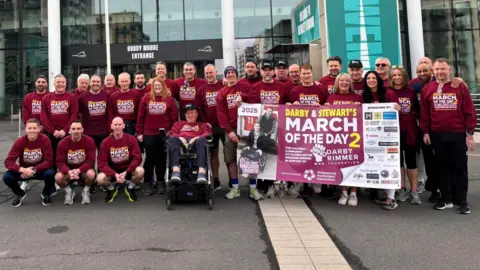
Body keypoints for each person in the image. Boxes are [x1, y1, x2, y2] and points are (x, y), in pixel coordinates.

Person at [420, 58, 476, 215]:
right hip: (437, 134)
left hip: (457, 134)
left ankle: (462, 201)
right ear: (433, 71)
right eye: (437, 69)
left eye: (443, 69)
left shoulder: (460, 87)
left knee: (459, 168)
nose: (440, 72)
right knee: (442, 168)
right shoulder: (428, 89)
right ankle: (446, 199)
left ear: (449, 70)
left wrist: (469, 133)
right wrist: (425, 131)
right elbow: (425, 113)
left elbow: (469, 110)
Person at [237, 61, 286, 198]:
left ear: (273, 72)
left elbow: (287, 101)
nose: (267, 72)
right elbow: (250, 101)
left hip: (278, 124)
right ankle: (265, 184)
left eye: (269, 69)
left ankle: (276, 183)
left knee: (275, 153)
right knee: (262, 152)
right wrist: (241, 98)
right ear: (261, 72)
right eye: (264, 70)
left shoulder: (281, 86)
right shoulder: (256, 86)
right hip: (262, 125)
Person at [217, 66, 263, 200]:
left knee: (251, 158)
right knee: (231, 160)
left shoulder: (245, 86)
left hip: (248, 128)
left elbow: (256, 99)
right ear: (225, 76)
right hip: (231, 129)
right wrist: (229, 131)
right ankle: (235, 188)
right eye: (228, 73)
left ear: (236, 75)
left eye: (233, 72)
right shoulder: (222, 92)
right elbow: (221, 113)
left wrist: (242, 96)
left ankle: (253, 188)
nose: (230, 75)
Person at [362, 70, 400, 210]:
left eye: (373, 78)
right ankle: (382, 194)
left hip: (388, 136)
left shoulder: (389, 93)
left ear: (378, 79)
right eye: (368, 78)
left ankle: (391, 198)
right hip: (370, 137)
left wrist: (397, 107)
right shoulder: (364, 96)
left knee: (389, 164)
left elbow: (398, 109)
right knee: (376, 165)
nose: (371, 80)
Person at [324, 73, 362, 206]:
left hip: (353, 136)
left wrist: (360, 107)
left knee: (354, 164)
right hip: (338, 137)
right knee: (341, 164)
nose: (344, 83)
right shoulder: (332, 97)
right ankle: (344, 191)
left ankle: (353, 193)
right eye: (341, 81)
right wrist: (326, 108)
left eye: (347, 81)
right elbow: (325, 117)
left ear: (350, 83)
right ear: (337, 83)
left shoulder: (356, 97)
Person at [137, 78, 178, 195]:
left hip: (164, 134)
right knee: (150, 158)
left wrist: (172, 132)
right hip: (149, 133)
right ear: (152, 86)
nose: (158, 87)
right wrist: (139, 132)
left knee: (161, 159)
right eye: (156, 85)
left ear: (164, 86)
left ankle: (161, 182)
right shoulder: (146, 98)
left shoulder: (169, 99)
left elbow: (174, 117)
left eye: (160, 85)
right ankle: (147, 182)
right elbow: (140, 116)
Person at [3, 118, 55, 207]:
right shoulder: (20, 142)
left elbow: (49, 160)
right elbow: (8, 162)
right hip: (24, 171)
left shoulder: (45, 140)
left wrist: (34, 169)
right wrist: (22, 169)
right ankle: (20, 194)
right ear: (26, 129)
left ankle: (46, 193)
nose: (32, 131)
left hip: (39, 170)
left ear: (39, 129)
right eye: (29, 128)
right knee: (7, 176)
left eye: (34, 128)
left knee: (51, 172)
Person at [389, 66, 421, 205]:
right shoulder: (388, 92)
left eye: (399, 75)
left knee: (411, 162)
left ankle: (414, 191)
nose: (396, 77)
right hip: (394, 132)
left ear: (404, 76)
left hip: (410, 132)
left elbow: (417, 110)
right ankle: (401, 188)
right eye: (394, 75)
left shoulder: (411, 91)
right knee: (398, 162)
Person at [97, 117, 144, 203]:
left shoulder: (131, 139)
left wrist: (126, 172)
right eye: (115, 125)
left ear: (123, 126)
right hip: (113, 171)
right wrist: (114, 174)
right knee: (100, 178)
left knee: (140, 171)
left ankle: (130, 188)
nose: (117, 127)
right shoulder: (105, 142)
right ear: (111, 126)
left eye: (119, 124)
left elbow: (138, 158)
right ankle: (111, 189)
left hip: (128, 170)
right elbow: (101, 163)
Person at [196, 64, 226, 190]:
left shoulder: (223, 85)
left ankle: (233, 182)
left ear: (216, 72)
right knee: (213, 154)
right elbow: (199, 108)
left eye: (211, 72)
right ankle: (216, 179)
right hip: (210, 126)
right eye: (207, 73)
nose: (209, 75)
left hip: (225, 125)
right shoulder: (202, 89)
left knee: (230, 154)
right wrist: (205, 122)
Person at [167, 104, 211, 183]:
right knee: (173, 139)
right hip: (181, 145)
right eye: (188, 113)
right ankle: (176, 170)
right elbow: (172, 133)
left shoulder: (202, 125)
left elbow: (208, 133)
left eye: (193, 113)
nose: (190, 115)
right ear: (185, 115)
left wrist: (196, 138)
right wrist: (179, 137)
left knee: (202, 140)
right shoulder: (178, 124)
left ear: (197, 114)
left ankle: (201, 172)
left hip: (196, 145)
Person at [55, 121, 96, 205]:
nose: (76, 131)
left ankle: (85, 191)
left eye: (78, 129)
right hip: (69, 170)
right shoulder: (62, 143)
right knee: (58, 177)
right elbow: (60, 162)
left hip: (83, 170)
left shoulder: (90, 141)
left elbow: (90, 161)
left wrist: (79, 170)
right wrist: (68, 171)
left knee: (91, 174)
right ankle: (69, 192)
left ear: (82, 130)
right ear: (69, 130)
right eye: (73, 129)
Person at [40, 74, 79, 158]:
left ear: (66, 83)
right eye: (58, 82)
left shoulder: (72, 97)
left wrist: (65, 130)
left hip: (68, 133)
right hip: (51, 134)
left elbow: (74, 115)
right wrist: (53, 131)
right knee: (52, 157)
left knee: (68, 156)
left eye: (62, 82)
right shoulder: (46, 98)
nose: (60, 84)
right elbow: (44, 117)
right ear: (54, 83)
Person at [78, 74, 110, 150]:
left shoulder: (107, 95)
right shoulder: (82, 97)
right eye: (93, 81)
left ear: (101, 83)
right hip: (88, 132)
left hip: (104, 132)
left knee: (103, 156)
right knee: (89, 156)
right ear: (90, 83)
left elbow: (110, 113)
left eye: (98, 81)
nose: (95, 83)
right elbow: (79, 114)